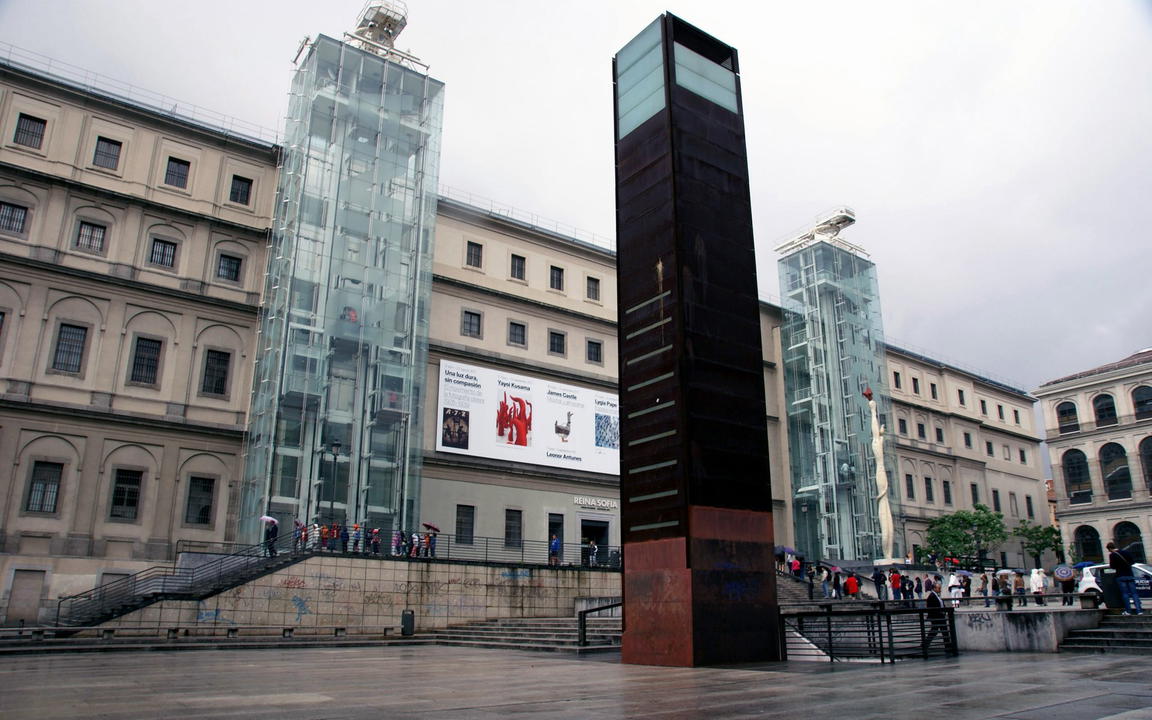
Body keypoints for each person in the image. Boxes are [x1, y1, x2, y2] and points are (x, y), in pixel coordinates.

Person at [1108, 541, 1143, 615]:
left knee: (1125, 594)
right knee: (1134, 593)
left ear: (1110, 549)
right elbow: (1133, 562)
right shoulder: (1126, 552)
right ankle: (1139, 611)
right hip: (1129, 574)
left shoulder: (1112, 555)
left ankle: (1128, 611)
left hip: (1120, 575)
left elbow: (1112, 566)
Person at [923, 579, 948, 653]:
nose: (940, 590)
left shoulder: (937, 596)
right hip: (937, 617)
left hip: (940, 616)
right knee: (936, 631)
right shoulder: (932, 596)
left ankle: (948, 646)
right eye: (938, 588)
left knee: (943, 631)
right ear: (934, 588)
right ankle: (925, 644)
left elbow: (941, 604)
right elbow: (931, 607)